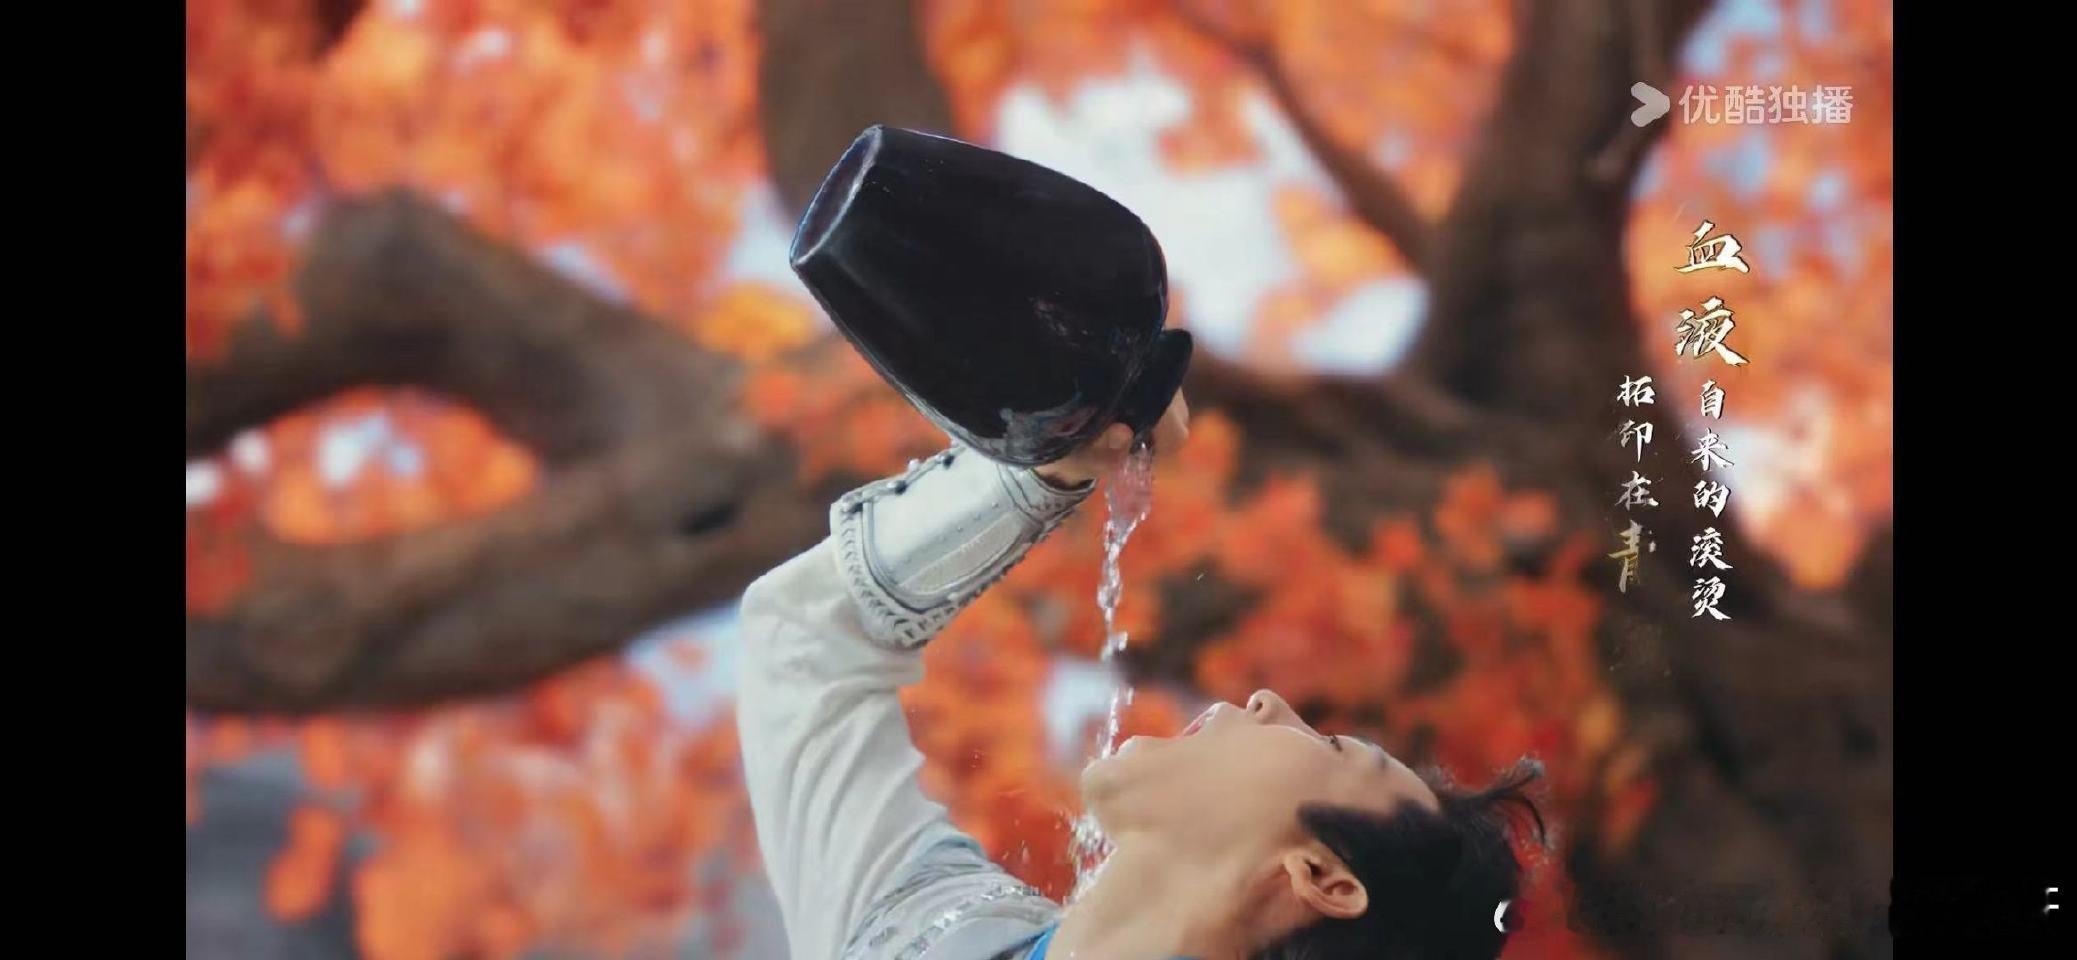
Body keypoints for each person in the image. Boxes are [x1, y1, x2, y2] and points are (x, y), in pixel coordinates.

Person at [737, 393, 1547, 960]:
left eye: (1333, 747)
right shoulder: (922, 915)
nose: (1269, 701)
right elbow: (801, 639)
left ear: (1323, 879)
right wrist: (1039, 473)